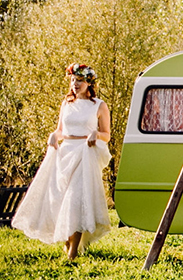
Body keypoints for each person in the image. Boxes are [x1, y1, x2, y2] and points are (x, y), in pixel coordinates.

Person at [12, 63, 114, 260]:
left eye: (80, 80)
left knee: (75, 201)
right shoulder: (67, 103)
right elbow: (60, 129)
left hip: (84, 154)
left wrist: (96, 134)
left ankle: (73, 252)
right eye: (73, 80)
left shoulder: (99, 105)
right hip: (65, 152)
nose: (76, 84)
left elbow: (107, 135)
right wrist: (54, 135)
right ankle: (69, 243)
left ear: (89, 83)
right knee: (61, 201)